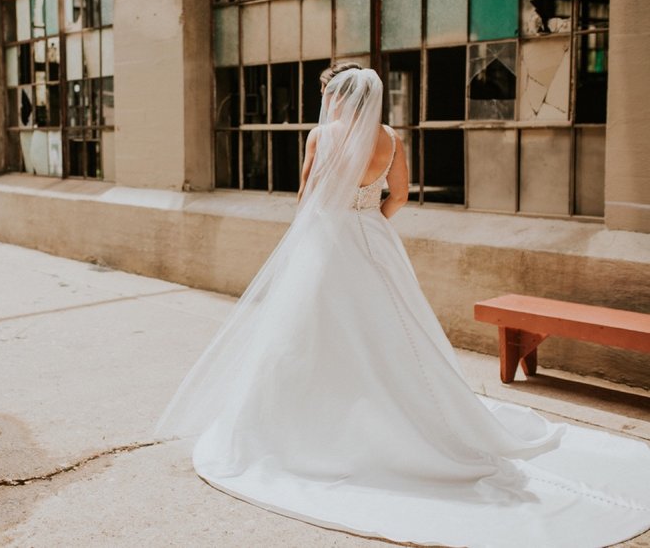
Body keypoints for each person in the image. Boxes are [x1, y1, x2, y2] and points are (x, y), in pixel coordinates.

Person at [156, 67, 650, 547]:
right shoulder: (389, 136)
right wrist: (369, 218)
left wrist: (328, 223)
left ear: (338, 98)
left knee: (310, 331)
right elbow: (400, 197)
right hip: (373, 239)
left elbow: (306, 196)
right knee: (391, 330)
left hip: (326, 243)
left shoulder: (319, 136)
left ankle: (308, 426)